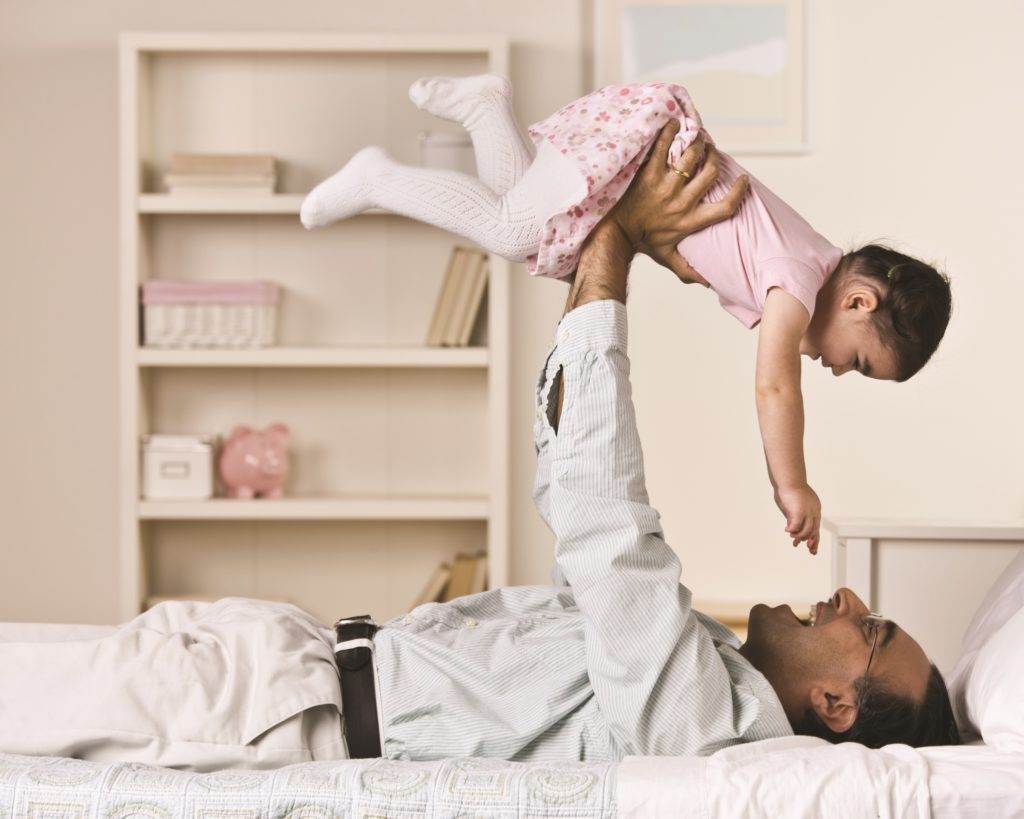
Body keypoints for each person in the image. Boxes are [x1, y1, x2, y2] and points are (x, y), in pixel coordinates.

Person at [0, 132, 958, 771]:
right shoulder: (701, 659)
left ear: (834, 703)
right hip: (277, 659)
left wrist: (616, 245)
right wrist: (597, 253)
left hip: (267, 712)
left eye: (868, 630)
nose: (846, 597)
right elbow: (575, 496)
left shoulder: (703, 721)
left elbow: (604, 521)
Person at [301, 75, 953, 555]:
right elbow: (775, 383)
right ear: (859, 301)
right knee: (507, 229)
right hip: (641, 149)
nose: (838, 370)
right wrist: (794, 485)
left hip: (639, 150)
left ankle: (483, 108)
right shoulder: (800, 278)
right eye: (860, 361)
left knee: (533, 232)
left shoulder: (804, 262)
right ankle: (378, 178)